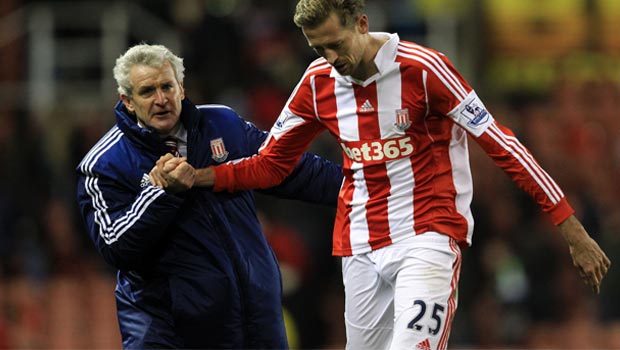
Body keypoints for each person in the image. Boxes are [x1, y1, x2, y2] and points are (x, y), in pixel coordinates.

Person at [155, 1, 613, 349]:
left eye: (336, 44)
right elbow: (273, 162)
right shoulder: (317, 83)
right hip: (357, 245)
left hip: (428, 237)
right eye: (318, 48)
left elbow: (500, 143)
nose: (331, 57)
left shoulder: (425, 69)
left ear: (360, 22)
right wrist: (199, 177)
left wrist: (570, 227)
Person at [75, 43, 343, 349]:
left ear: (182, 88)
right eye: (148, 91)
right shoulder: (104, 165)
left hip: (257, 320)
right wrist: (159, 194)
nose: (161, 100)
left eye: (167, 87)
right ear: (128, 101)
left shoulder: (223, 124)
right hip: (171, 334)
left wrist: (365, 185)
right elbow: (115, 248)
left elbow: (289, 170)